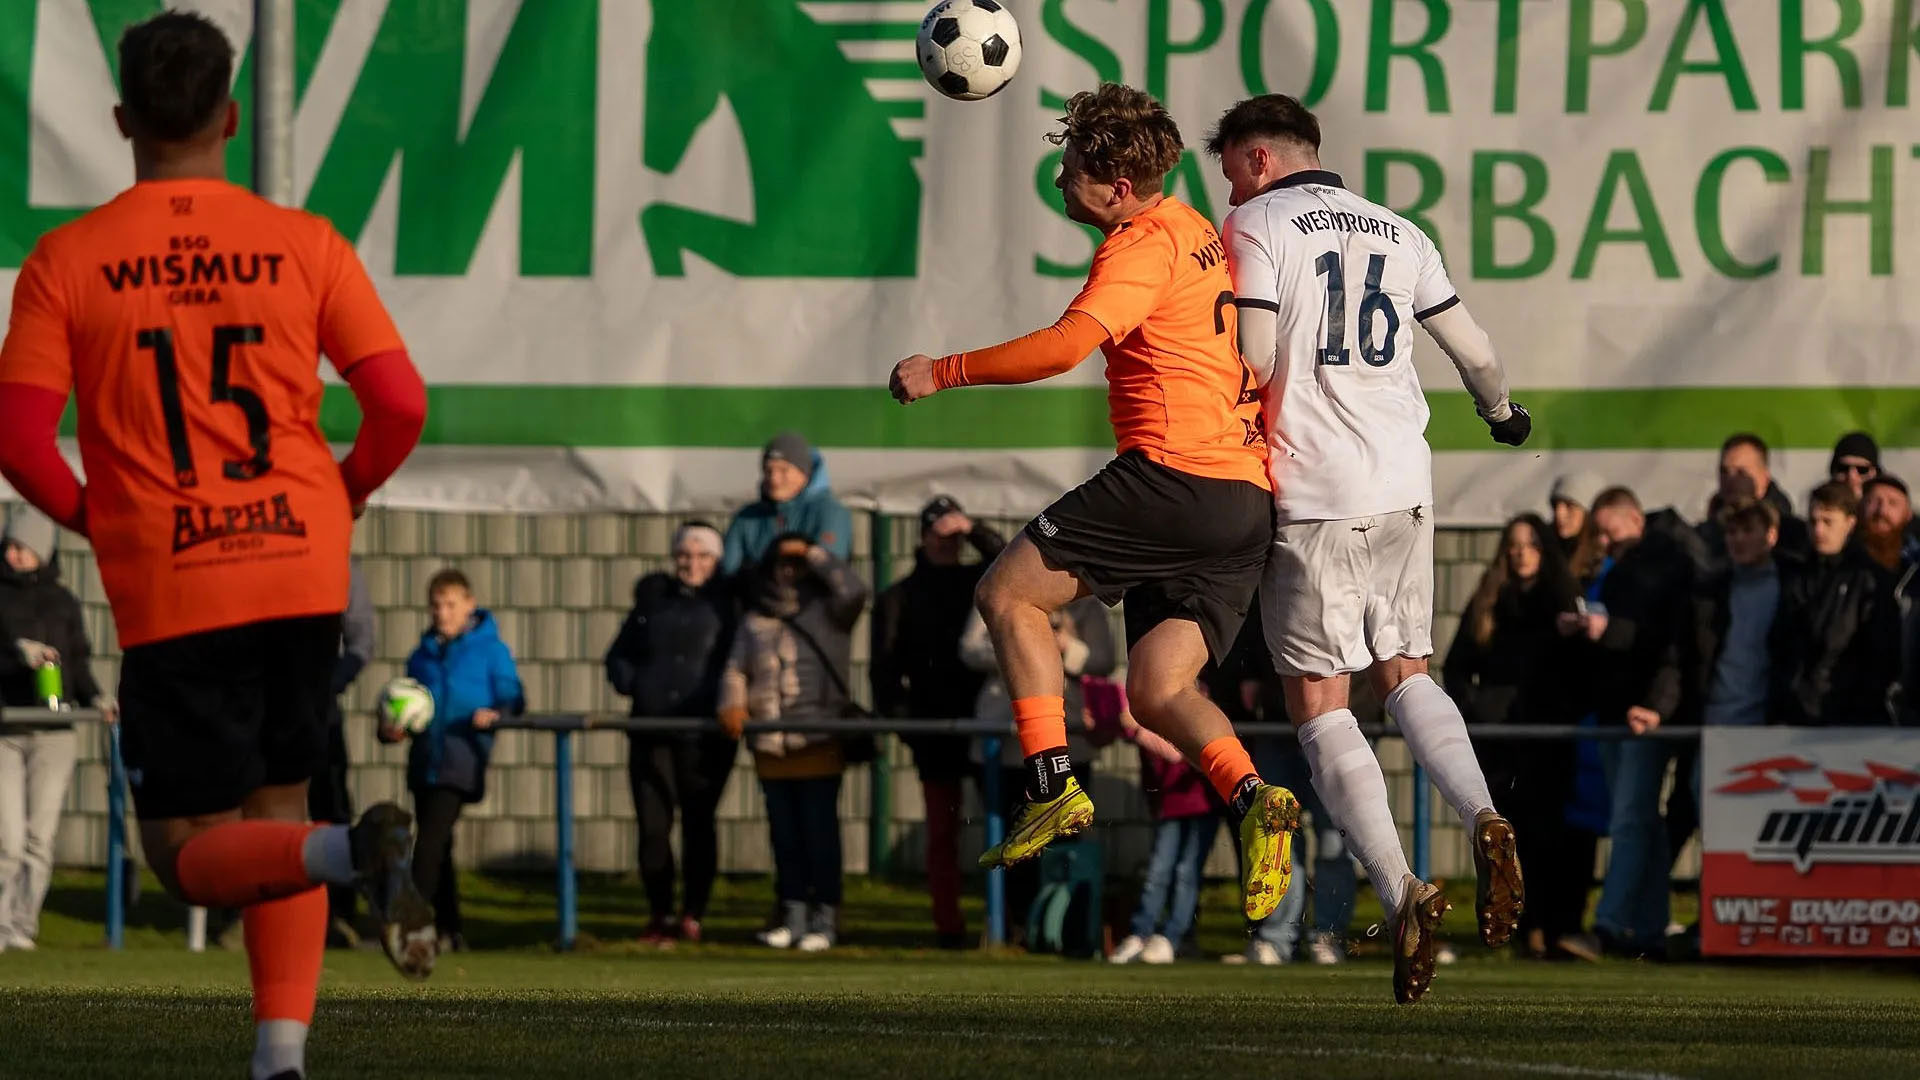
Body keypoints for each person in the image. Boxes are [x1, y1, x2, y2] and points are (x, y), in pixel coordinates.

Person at [0, 13, 430, 1079]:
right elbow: (400, 404)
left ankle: (351, 853)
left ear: (122, 120)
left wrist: (94, 516)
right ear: (232, 117)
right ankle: (279, 1057)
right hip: (299, 562)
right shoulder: (305, 243)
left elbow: (16, 438)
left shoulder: (68, 259)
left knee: (188, 856)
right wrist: (342, 491)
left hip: (180, 576)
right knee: (276, 813)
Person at [888, 83, 1298, 926]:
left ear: (1117, 188)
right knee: (1156, 688)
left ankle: (1050, 784)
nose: (1058, 178)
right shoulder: (1191, 226)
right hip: (1241, 500)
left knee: (1006, 594)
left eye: (1071, 167)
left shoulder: (1140, 246)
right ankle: (1255, 797)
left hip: (1174, 477)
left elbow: (1067, 345)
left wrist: (945, 371)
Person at [1206, 93, 1530, 1003]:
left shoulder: (1256, 223)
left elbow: (1255, 353)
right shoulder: (1400, 228)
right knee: (1408, 673)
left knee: (1320, 707)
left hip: (1315, 489)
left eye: (1230, 171)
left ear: (1260, 159)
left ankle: (1401, 890)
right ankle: (1485, 812)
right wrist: (1503, 414)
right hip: (1405, 483)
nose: (1228, 190)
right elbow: (1474, 349)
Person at [1558, 488, 1693, 959]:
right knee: (1643, 825)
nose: (1603, 542)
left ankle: (1610, 925)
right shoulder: (1623, 569)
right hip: (1621, 712)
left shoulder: (1665, 565)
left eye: (1609, 532)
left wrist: (1656, 704)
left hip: (1644, 715)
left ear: (1635, 519)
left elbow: (1665, 644)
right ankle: (1651, 929)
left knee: (1631, 820)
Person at [719, 534, 868, 953]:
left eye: (796, 564)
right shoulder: (755, 619)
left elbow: (854, 590)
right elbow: (735, 670)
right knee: (784, 839)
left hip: (819, 740)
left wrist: (813, 553)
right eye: (781, 563)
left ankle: (826, 917)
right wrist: (731, 705)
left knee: (820, 836)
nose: (789, 572)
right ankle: (793, 914)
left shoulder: (831, 611)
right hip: (770, 744)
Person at [870, 495, 1007, 948]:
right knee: (943, 833)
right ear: (922, 536)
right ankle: (948, 925)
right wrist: (909, 728)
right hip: (933, 730)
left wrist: (974, 529)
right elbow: (884, 672)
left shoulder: (978, 581)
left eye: (954, 535)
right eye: (938, 533)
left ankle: (1006, 923)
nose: (946, 542)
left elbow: (1007, 559)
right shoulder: (899, 596)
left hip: (987, 720)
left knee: (1003, 825)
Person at [1442, 514, 1582, 958]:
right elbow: (1456, 665)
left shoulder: (1560, 598)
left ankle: (1549, 925)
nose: (1522, 554)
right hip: (1499, 740)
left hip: (1548, 738)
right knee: (1504, 837)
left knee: (1549, 836)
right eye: (1514, 545)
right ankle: (1513, 926)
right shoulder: (1489, 596)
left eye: (1531, 545)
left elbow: (1579, 664)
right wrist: (1476, 710)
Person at [604, 521, 738, 946]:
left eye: (703, 556)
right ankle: (659, 912)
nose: (692, 564)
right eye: (684, 555)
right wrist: (634, 682)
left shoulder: (729, 605)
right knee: (653, 826)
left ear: (717, 560)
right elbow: (619, 656)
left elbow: (739, 659)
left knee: (699, 823)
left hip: (704, 733)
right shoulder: (653, 602)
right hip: (651, 727)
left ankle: (693, 912)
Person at [386, 569, 525, 953]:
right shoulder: (422, 656)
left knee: (429, 843)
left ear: (469, 606)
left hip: (462, 757)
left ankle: (409, 924)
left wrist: (497, 713)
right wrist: (393, 726)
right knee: (441, 847)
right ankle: (451, 930)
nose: (442, 613)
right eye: (436, 605)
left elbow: (513, 695)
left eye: (450, 605)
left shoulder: (490, 650)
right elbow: (407, 705)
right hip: (425, 760)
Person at [0, 506, 105, 951]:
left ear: (43, 551)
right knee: (7, 840)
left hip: (55, 735)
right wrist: (18, 655)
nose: (15, 555)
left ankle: (22, 926)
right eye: (11, 546)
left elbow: (78, 663)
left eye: (24, 547)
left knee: (39, 839)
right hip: (6, 731)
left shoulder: (64, 602)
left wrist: (97, 698)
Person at [1773, 482, 1899, 725]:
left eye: (1828, 521)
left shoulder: (1870, 580)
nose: (1818, 530)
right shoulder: (1795, 575)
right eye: (1813, 521)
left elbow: (1879, 656)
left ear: (1850, 523)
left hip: (1846, 717)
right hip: (1794, 712)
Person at [1110, 709, 1220, 965]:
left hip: (1201, 802)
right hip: (1168, 803)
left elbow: (1176, 753)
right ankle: (1141, 933)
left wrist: (1138, 730)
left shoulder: (1194, 704)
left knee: (1186, 873)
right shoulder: (1147, 708)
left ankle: (1172, 937)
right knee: (1158, 871)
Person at [312, 558, 373, 947]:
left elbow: (361, 643)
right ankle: (249, 915)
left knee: (331, 810)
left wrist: (330, 683)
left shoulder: (341, 568)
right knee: (259, 809)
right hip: (263, 708)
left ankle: (339, 916)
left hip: (321, 713)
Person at [722, 432, 853, 574]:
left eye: (784, 470)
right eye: (768, 470)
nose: (774, 479)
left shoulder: (830, 512)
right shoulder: (747, 518)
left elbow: (829, 566)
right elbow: (729, 570)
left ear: (804, 473)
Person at [1698, 434, 1810, 566]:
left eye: (1741, 472)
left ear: (1764, 477)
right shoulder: (1704, 535)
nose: (1730, 479)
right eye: (1724, 471)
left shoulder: (1795, 537)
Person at [1548, 473, 1606, 581]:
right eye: (1555, 506)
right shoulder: (1543, 554)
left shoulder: (1606, 564)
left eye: (1569, 506)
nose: (1559, 514)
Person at [1859, 476, 1916, 574]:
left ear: (1908, 514)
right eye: (1873, 501)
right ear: (1860, 507)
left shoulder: (1915, 561)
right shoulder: (1838, 559)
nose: (1882, 510)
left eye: (1893, 503)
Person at [1829, 431, 1880, 498]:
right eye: (1843, 468)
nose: (1851, 477)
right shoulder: (1818, 502)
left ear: (1875, 472)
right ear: (1833, 471)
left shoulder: (1887, 503)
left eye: (1862, 470)